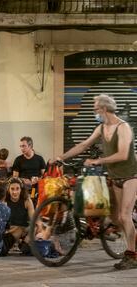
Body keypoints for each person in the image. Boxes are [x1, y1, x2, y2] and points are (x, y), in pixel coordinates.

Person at [54, 94, 137, 270]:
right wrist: (61, 157)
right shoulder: (101, 128)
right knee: (115, 218)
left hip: (131, 176)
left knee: (124, 215)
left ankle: (132, 255)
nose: (94, 112)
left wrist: (99, 161)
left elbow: (123, 154)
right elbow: (84, 145)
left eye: (95, 109)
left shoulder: (123, 128)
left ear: (104, 109)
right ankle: (130, 235)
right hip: (115, 177)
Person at [12, 136, 46, 203]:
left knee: (33, 196)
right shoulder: (18, 160)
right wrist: (22, 180)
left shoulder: (39, 159)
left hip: (35, 186)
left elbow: (44, 175)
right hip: (23, 186)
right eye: (21, 146)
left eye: (24, 146)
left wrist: (38, 179)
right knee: (26, 195)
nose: (22, 148)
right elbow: (15, 177)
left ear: (30, 146)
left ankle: (33, 203)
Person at [5, 177, 35, 252]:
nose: (15, 192)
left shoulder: (27, 201)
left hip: (24, 230)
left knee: (36, 226)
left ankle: (24, 243)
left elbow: (33, 219)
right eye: (12, 189)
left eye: (17, 189)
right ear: (8, 190)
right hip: (11, 231)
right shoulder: (4, 202)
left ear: (21, 190)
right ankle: (15, 243)